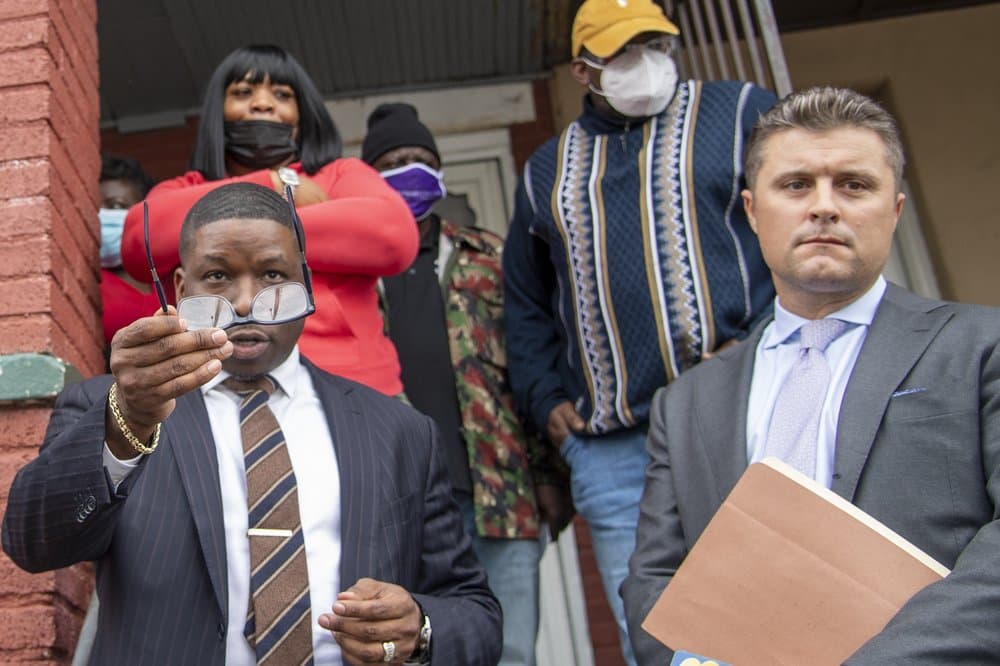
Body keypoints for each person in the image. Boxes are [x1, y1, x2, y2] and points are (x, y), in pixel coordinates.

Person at [2, 182, 502, 665]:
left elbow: (474, 610)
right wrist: (126, 419)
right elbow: (35, 543)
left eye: (272, 276)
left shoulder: (399, 431)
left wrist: (421, 627)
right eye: (217, 276)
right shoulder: (110, 405)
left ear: (305, 282)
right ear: (181, 288)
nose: (244, 302)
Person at [622, 86, 1000, 664]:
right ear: (752, 210)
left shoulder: (981, 347)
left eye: (854, 184)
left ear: (895, 209)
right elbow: (654, 576)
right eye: (796, 185)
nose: (824, 205)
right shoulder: (686, 403)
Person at [502, 0, 776, 660]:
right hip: (615, 445)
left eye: (655, 45)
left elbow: (797, 237)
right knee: (657, 637)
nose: (646, 64)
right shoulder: (546, 170)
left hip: (743, 410)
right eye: (624, 54)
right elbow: (525, 300)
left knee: (773, 604)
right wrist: (547, 401)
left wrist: (768, 338)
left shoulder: (742, 112)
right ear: (583, 71)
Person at [361, 102, 574, 666]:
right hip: (397, 498)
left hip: (499, 492)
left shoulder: (488, 257)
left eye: (423, 159)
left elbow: (528, 366)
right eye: (394, 161)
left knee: (510, 651)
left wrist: (549, 475)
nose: (412, 169)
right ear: (368, 177)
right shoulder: (352, 273)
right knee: (412, 650)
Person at [119, 44, 417, 395]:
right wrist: (274, 185)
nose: (262, 103)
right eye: (243, 92)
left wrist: (230, 225)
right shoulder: (184, 188)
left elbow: (394, 237)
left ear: (301, 116)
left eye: (282, 94)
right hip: (216, 389)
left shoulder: (340, 175)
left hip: (354, 389)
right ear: (219, 113)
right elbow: (142, 241)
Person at [98, 154, 160, 346]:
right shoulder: (87, 284)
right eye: (93, 208)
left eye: (116, 205)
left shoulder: (170, 276)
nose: (100, 216)